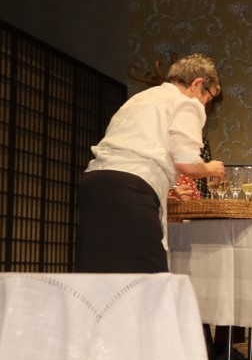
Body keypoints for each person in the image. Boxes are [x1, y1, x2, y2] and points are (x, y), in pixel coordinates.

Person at [77, 53, 225, 273]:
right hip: (130, 189)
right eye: (208, 97)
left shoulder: (141, 98)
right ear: (197, 84)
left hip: (95, 182)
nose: (205, 103)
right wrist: (210, 168)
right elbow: (187, 164)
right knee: (147, 274)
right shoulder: (186, 103)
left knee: (100, 270)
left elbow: (137, 147)